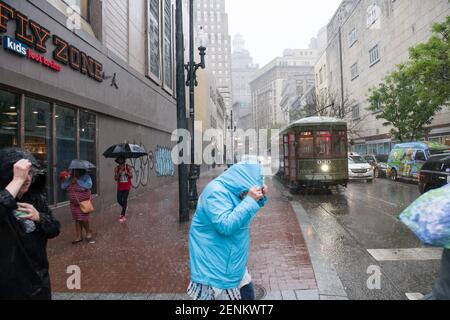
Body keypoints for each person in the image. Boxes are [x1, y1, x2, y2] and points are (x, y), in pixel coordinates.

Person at [187, 161, 268, 300]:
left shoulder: (234, 191)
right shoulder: (215, 193)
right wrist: (250, 199)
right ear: (242, 181)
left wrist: (258, 199)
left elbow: (241, 213)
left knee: (248, 294)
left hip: (232, 262)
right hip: (216, 269)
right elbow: (226, 225)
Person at [0, 147, 60, 300]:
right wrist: (16, 182)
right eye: (21, 174)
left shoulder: (35, 199)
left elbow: (54, 228)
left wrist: (39, 217)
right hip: (8, 285)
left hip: (37, 281)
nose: (27, 179)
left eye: (31, 173)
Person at [62, 169, 94, 244]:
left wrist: (78, 181)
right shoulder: (70, 178)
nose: (74, 172)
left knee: (83, 219)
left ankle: (88, 231)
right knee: (77, 219)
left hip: (83, 203)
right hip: (74, 204)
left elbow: (89, 185)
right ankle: (79, 236)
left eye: (76, 170)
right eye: (73, 170)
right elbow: (63, 186)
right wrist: (70, 181)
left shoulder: (86, 177)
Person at [114, 157, 133, 223]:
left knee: (124, 199)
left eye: (121, 159)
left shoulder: (128, 167)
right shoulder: (116, 168)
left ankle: (123, 215)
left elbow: (131, 175)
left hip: (127, 186)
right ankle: (125, 207)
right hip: (120, 187)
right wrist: (119, 174)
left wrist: (126, 173)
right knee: (119, 200)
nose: (120, 160)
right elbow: (115, 178)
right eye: (119, 159)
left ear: (123, 160)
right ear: (117, 161)